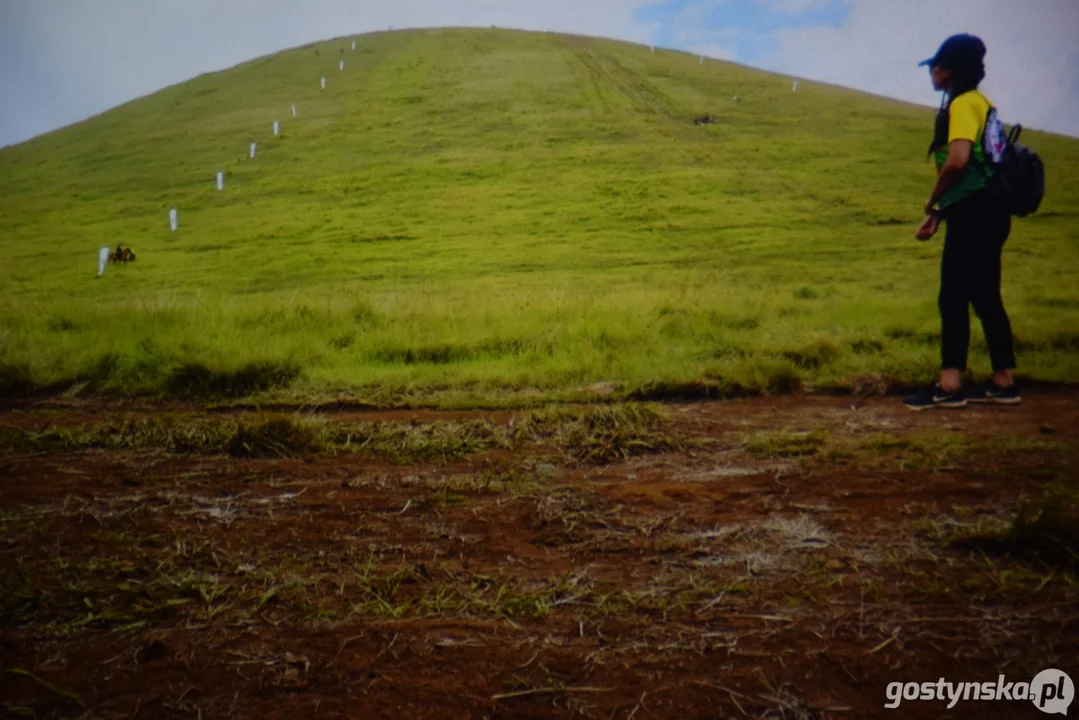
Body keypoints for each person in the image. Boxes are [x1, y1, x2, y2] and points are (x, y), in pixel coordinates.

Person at [903, 34, 1020, 411]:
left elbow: (957, 160)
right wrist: (938, 216)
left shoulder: (963, 105)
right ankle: (1004, 380)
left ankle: (950, 384)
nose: (932, 73)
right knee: (985, 295)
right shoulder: (983, 103)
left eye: (935, 66)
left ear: (947, 70)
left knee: (952, 295)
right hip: (991, 210)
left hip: (973, 211)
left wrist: (932, 200)